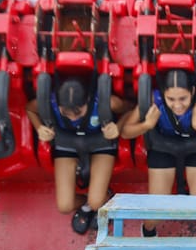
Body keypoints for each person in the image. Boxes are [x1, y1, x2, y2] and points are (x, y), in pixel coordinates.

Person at [120, 69, 196, 237]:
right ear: (163, 93)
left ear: (192, 91)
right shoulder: (154, 100)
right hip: (163, 147)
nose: (177, 105)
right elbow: (126, 132)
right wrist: (146, 125)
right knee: (153, 218)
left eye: (183, 98)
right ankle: (149, 234)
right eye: (171, 99)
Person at [25, 78, 131, 234]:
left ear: (87, 101)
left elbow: (130, 108)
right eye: (66, 113)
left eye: (78, 113)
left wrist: (118, 126)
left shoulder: (107, 102)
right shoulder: (49, 102)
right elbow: (29, 109)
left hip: (100, 143)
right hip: (67, 144)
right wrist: (39, 127)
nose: (73, 118)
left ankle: (98, 200)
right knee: (64, 206)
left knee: (96, 202)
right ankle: (88, 202)